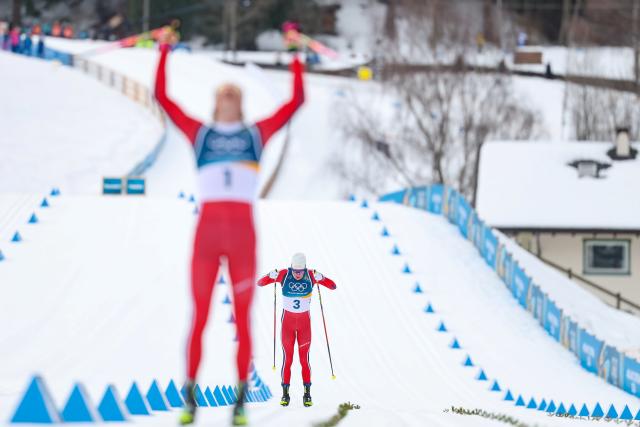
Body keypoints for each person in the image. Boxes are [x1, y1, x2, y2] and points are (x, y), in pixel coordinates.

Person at [153, 28, 304, 426]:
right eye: (223, 95)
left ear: (242, 105)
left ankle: (239, 403)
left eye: (235, 96)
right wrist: (164, 49)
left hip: (242, 237)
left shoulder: (256, 135)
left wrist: (295, 55)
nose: (229, 100)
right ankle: (189, 398)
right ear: (214, 104)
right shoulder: (200, 134)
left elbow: (296, 102)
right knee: (199, 316)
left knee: (243, 317)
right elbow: (163, 99)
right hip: (207, 235)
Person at [257, 253, 337, 407]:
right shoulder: (283, 275)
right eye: (295, 272)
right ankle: (285, 394)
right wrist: (269, 275)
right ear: (291, 268)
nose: (298, 275)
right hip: (287, 326)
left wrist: (322, 278)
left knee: (304, 360)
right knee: (288, 360)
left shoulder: (311, 275)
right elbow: (260, 283)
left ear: (305, 269)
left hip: (304, 327)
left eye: (300, 272)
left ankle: (307, 394)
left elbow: (333, 286)